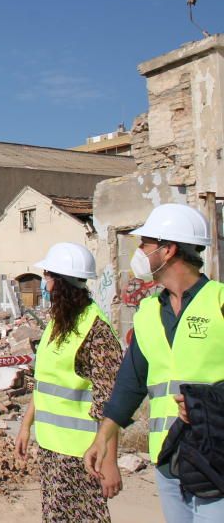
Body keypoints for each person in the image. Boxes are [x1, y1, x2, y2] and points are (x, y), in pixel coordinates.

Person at [83, 203, 224, 522]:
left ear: (168, 249)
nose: (140, 252)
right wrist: (103, 437)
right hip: (167, 460)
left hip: (216, 458)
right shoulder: (147, 313)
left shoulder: (219, 301)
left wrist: (211, 403)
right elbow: (129, 383)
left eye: (144, 244)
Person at [15, 242, 123, 522]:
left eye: (48, 277)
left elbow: (111, 401)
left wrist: (110, 461)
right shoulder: (57, 324)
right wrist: (27, 426)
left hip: (83, 455)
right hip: (52, 449)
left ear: (61, 283)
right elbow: (45, 383)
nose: (44, 284)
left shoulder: (95, 330)